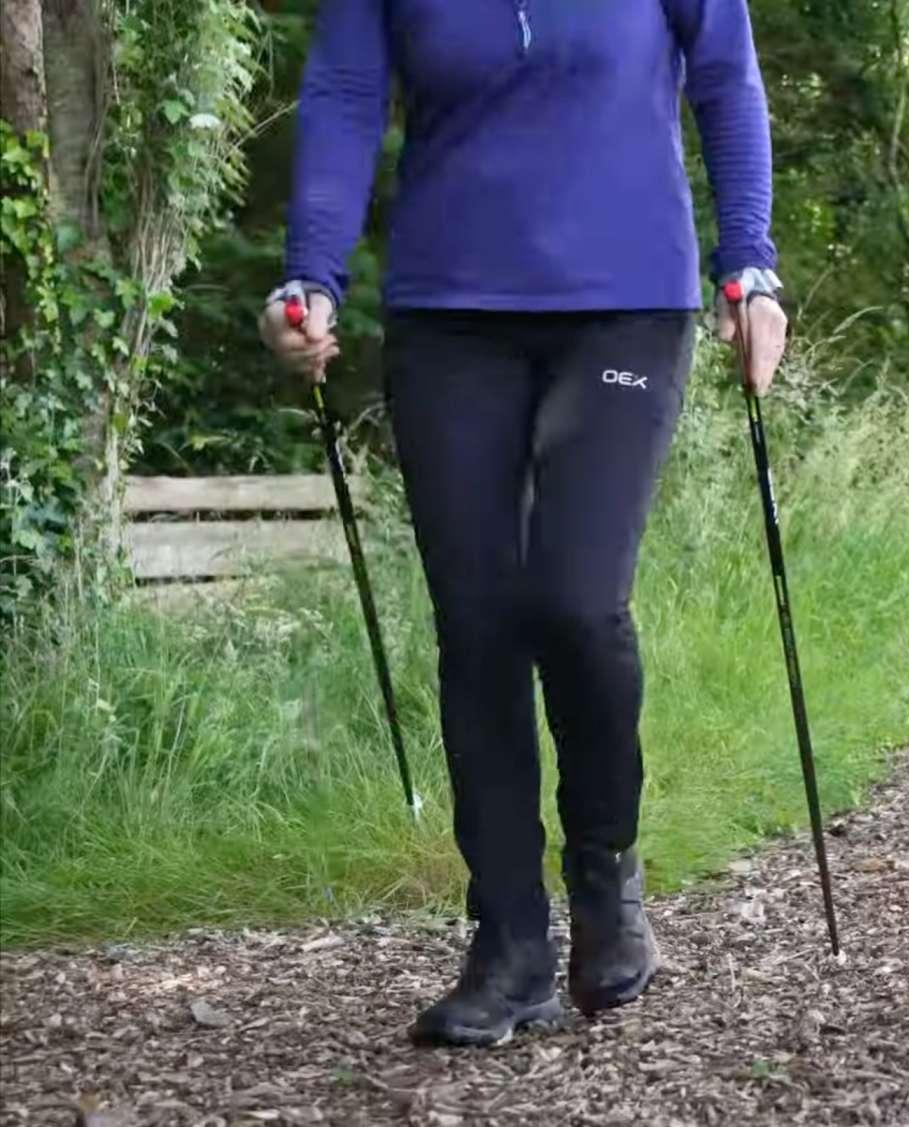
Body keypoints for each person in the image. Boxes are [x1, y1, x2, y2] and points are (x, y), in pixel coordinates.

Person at [258, 0, 790, 1048]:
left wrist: (752, 261)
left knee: (578, 600)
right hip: (450, 314)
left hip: (625, 300)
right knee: (480, 619)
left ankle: (606, 873)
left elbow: (725, 75)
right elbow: (345, 95)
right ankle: (507, 943)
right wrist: (310, 274)